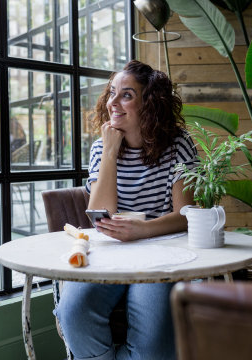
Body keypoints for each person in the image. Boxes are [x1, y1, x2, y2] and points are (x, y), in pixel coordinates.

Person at [55, 60, 197, 360]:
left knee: (154, 346)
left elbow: (186, 217)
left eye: (127, 95)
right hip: (109, 253)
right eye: (112, 93)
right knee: (72, 313)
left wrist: (142, 231)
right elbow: (100, 212)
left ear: (150, 102)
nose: (113, 103)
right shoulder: (100, 148)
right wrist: (109, 151)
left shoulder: (178, 145)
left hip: (161, 256)